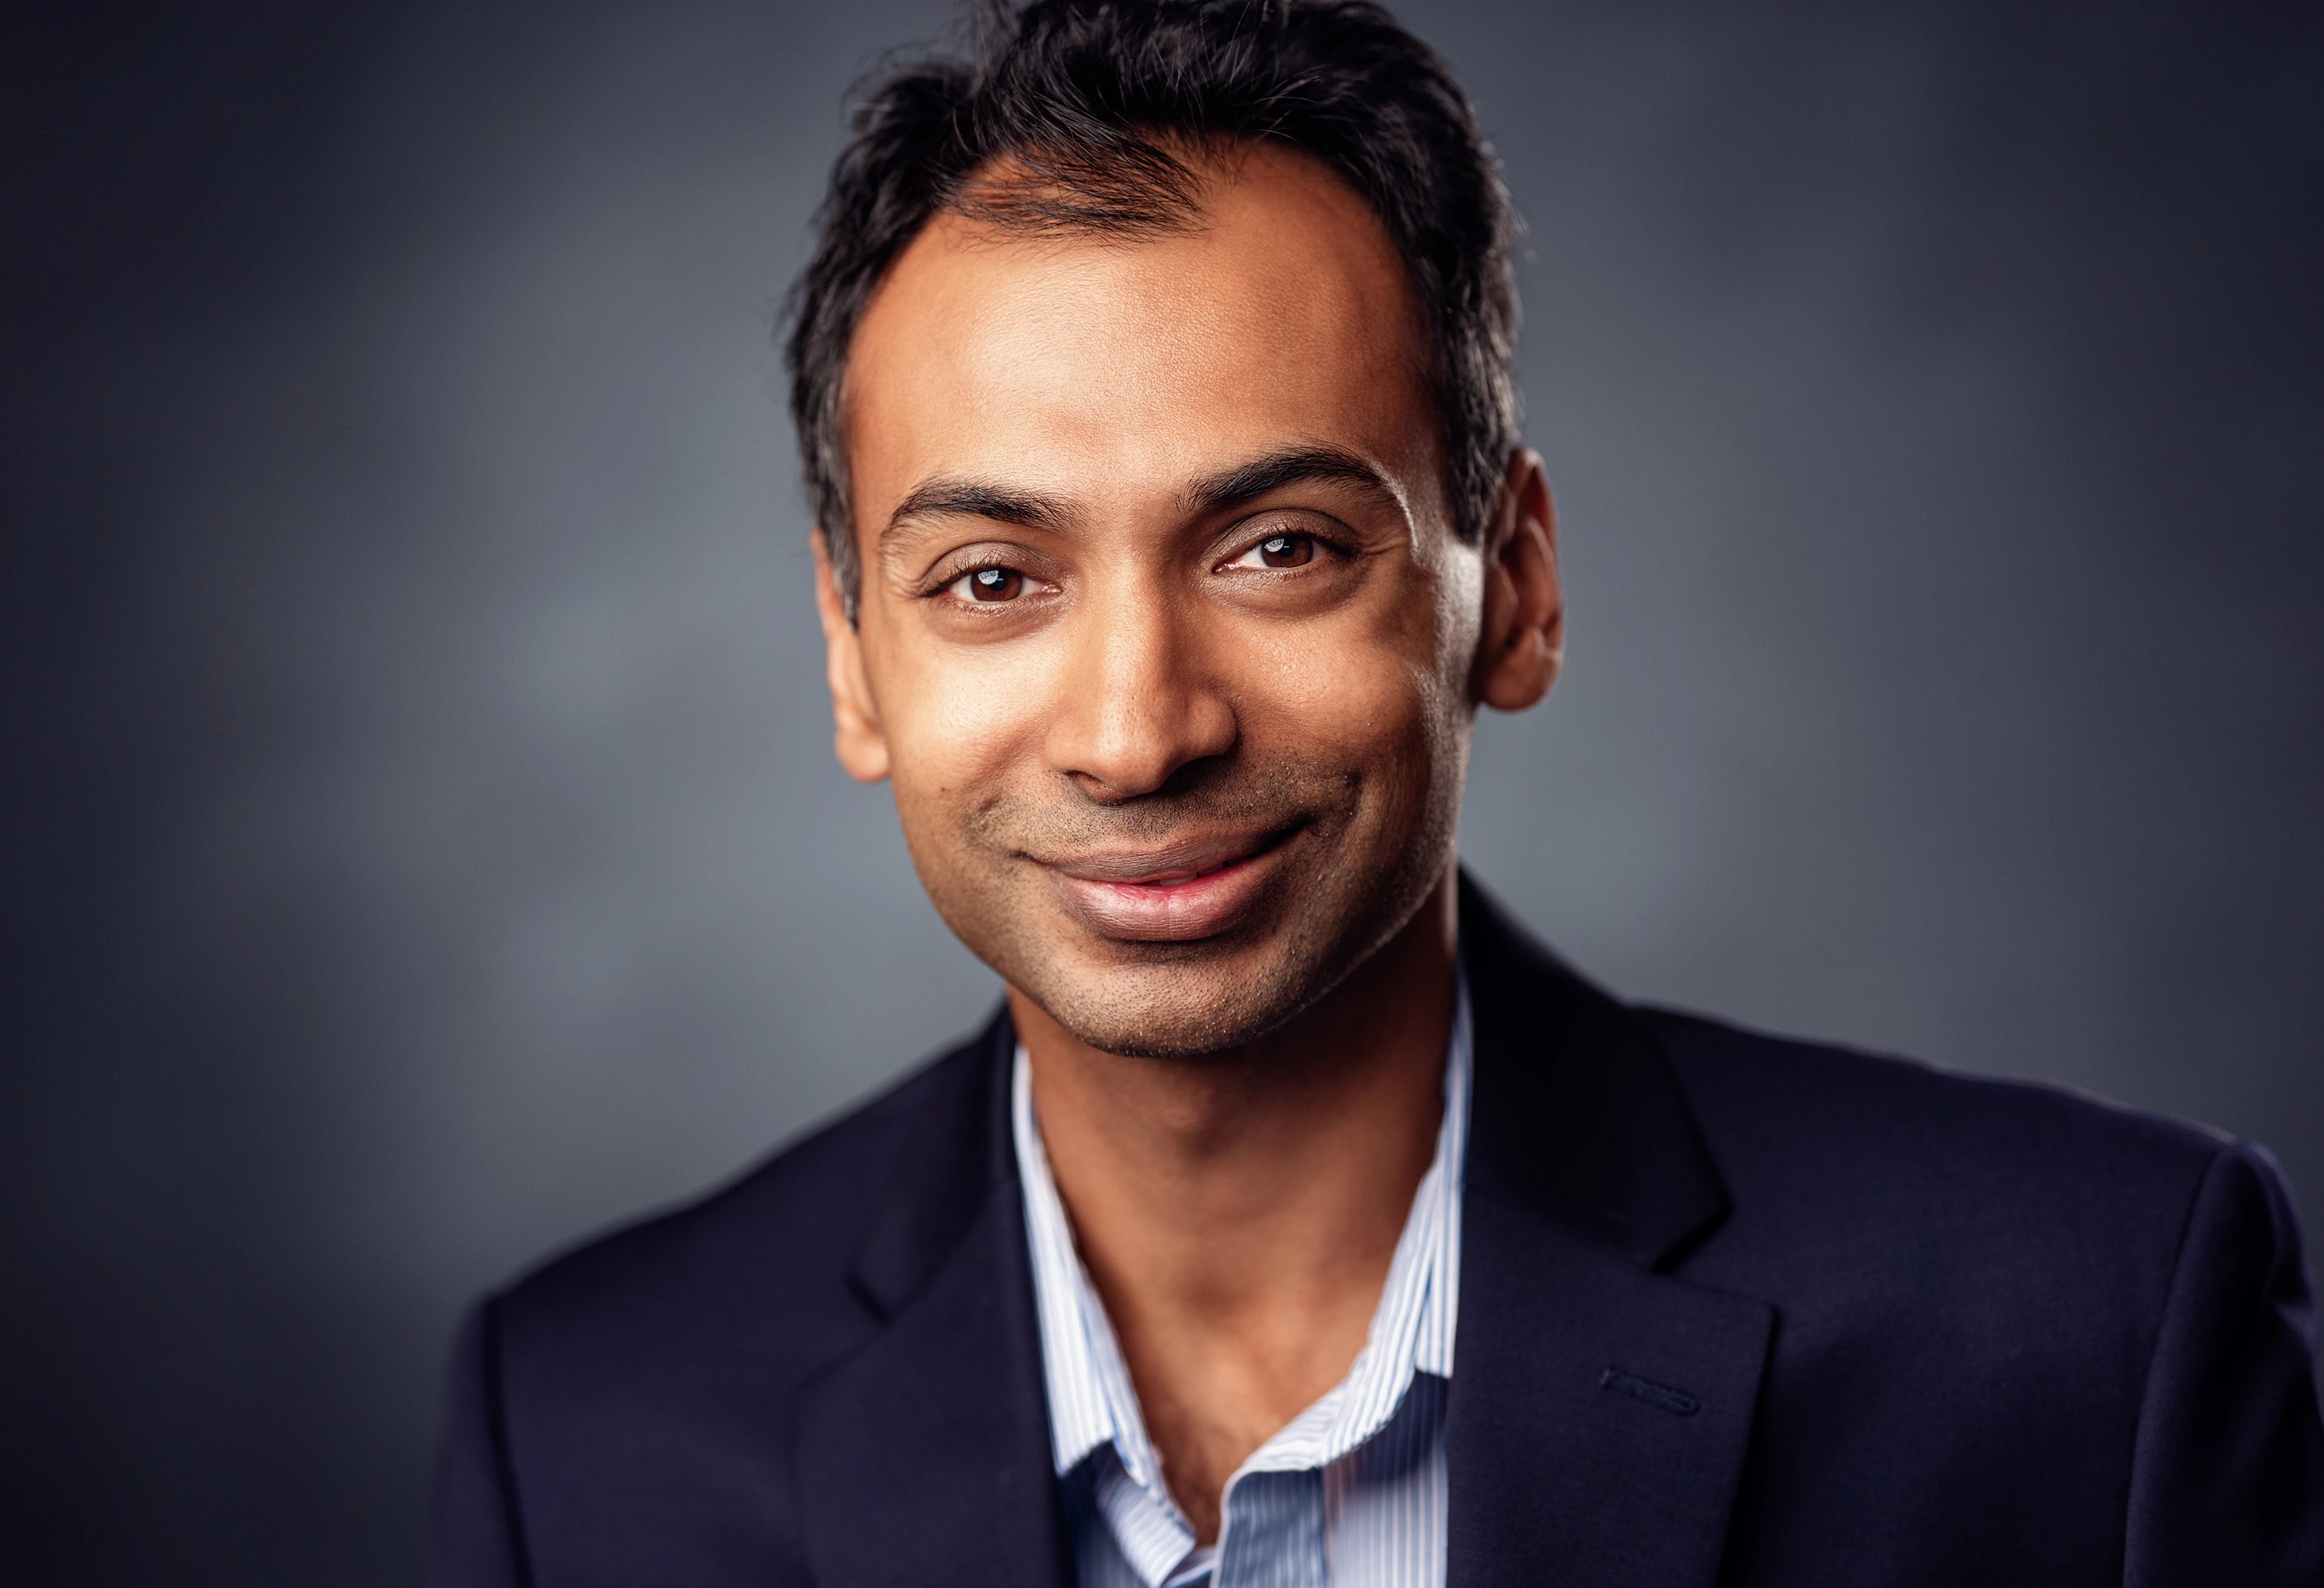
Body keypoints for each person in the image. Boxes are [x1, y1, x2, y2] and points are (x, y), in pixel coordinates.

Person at [418, 2, 2324, 1583]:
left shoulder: (2094, 1338)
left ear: (1517, 579)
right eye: (993, 580)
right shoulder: (587, 1432)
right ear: (854, 653)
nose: (1136, 728)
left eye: (1279, 548)